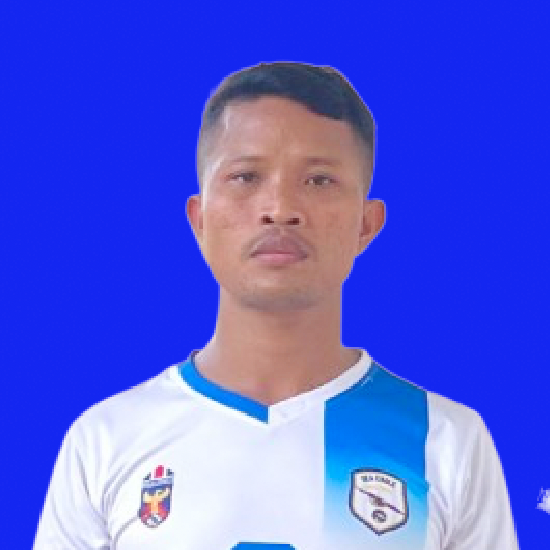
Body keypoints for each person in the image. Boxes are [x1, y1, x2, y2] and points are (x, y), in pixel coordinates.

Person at [33, 62, 520, 550]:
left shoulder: (446, 441)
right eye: (246, 176)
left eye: (319, 180)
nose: (280, 208)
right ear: (200, 219)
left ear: (366, 225)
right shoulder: (106, 441)